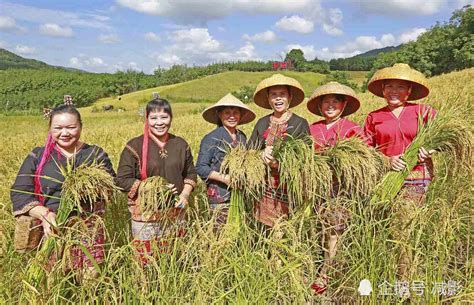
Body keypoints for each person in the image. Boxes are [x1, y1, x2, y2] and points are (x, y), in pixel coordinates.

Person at [11, 96, 115, 274]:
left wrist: (90, 188)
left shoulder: (95, 154)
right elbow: (20, 192)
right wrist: (44, 214)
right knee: (51, 279)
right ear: (50, 129)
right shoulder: (38, 156)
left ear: (80, 127)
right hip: (51, 229)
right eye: (58, 128)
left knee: (91, 278)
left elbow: (111, 184)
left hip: (88, 230)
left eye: (71, 127)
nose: (64, 133)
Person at [364, 63, 437, 279]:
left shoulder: (422, 111)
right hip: (386, 178)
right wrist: (386, 161)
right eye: (389, 87)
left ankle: (405, 276)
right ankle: (399, 269)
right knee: (388, 225)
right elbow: (366, 150)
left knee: (403, 225)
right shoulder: (374, 116)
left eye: (400, 87)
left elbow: (443, 135)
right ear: (383, 90)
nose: (394, 92)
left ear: (409, 91)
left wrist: (429, 150)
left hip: (416, 175)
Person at [116, 97, 197, 262]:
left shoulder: (180, 144)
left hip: (176, 213)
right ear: (146, 119)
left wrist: (185, 195)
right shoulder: (134, 146)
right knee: (146, 260)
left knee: (176, 257)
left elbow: (190, 173)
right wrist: (151, 188)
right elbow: (121, 180)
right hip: (145, 217)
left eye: (164, 117)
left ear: (171, 118)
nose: (159, 122)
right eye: (153, 118)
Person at [306, 81, 362, 294]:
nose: (330, 106)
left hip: (340, 190)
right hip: (314, 189)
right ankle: (325, 266)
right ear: (320, 106)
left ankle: (325, 275)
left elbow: (362, 159)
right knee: (319, 230)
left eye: (335, 102)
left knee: (334, 231)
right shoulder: (312, 128)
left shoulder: (352, 129)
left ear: (343, 104)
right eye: (326, 102)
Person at [248, 74, 310, 227]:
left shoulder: (299, 123)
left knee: (287, 228)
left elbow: (306, 156)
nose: (278, 98)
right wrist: (260, 154)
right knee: (265, 229)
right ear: (269, 99)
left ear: (289, 97)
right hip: (264, 187)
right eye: (274, 95)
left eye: (282, 94)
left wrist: (280, 163)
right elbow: (250, 150)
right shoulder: (262, 123)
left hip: (290, 186)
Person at [196, 93, 256, 226]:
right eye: (227, 113)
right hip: (220, 197)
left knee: (239, 231)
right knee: (221, 234)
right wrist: (226, 178)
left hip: (240, 193)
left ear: (240, 115)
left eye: (235, 112)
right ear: (219, 114)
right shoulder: (212, 138)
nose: (232, 116)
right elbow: (201, 168)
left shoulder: (242, 137)